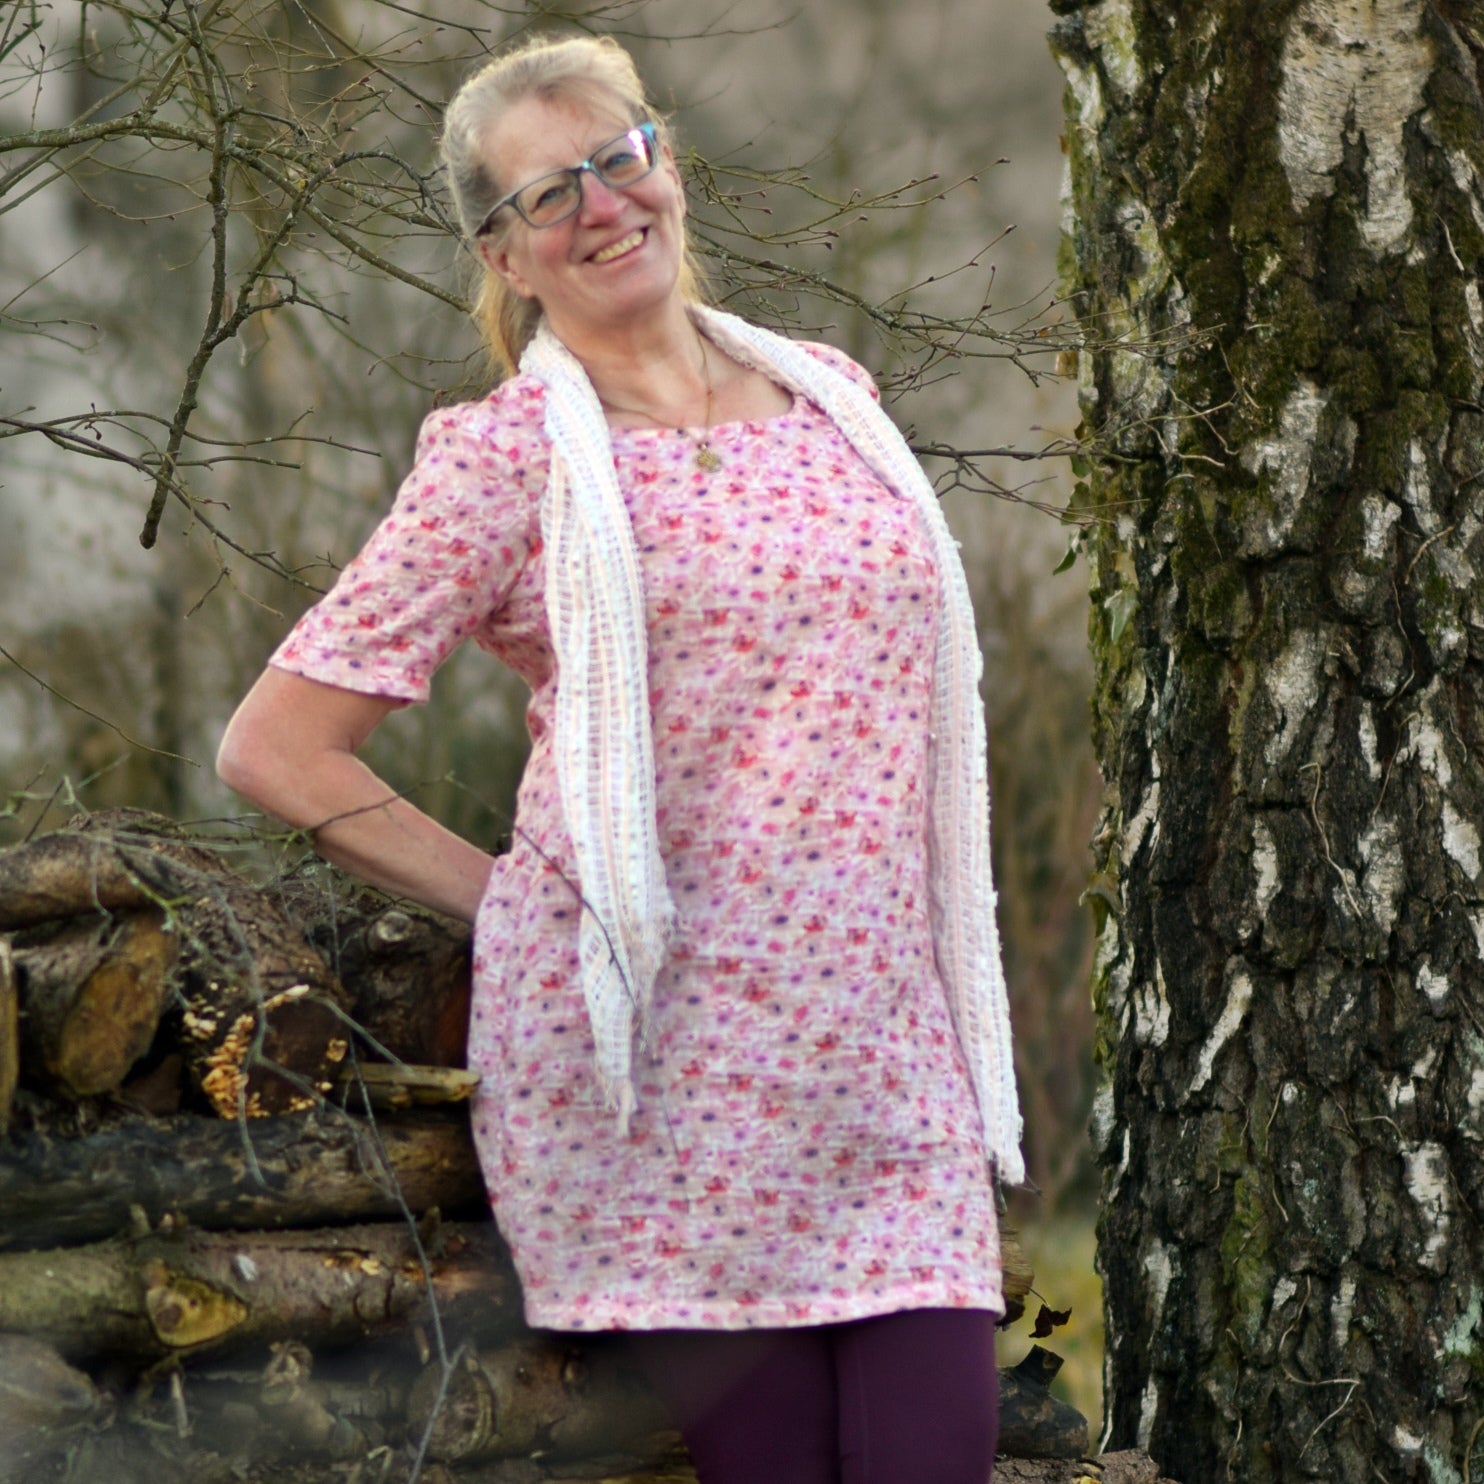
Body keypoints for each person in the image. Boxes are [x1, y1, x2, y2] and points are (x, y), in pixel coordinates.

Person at [217, 33, 1023, 1484]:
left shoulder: (835, 397)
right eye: (547, 195)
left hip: (884, 1067)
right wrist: (526, 906)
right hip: (677, 1090)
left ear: (667, 166)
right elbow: (279, 746)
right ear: (505, 256)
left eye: (615, 158)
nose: (599, 206)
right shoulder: (503, 456)